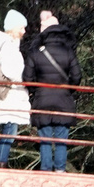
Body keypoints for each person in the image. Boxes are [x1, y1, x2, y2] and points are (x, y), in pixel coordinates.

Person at [21, 9, 81, 172]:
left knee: (45, 139)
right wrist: (67, 89)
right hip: (64, 100)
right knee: (62, 140)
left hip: (42, 100)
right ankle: (60, 171)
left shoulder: (35, 52)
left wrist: (36, 90)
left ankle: (46, 169)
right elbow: (77, 76)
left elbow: (27, 79)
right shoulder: (69, 51)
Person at [0, 9, 31, 167]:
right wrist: (23, 78)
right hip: (11, 95)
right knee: (9, 133)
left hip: (9, 95)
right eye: (22, 27)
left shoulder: (7, 45)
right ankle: (1, 165)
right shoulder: (8, 46)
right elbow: (10, 71)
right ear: (14, 28)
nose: (24, 31)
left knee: (8, 131)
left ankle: (1, 164)